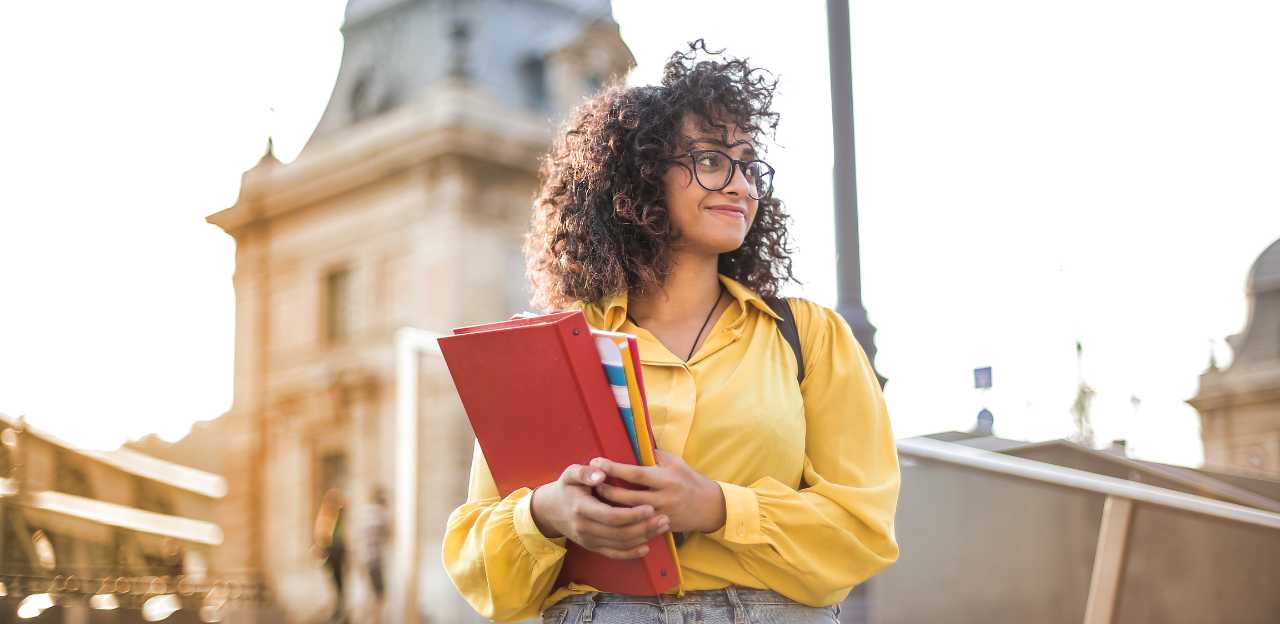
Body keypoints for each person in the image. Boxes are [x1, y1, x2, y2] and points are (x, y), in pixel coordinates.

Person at [442, 40, 900, 623]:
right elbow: (476, 563)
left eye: (749, 164)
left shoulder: (809, 336)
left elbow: (864, 529)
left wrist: (716, 507)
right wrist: (547, 514)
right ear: (640, 177)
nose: (741, 185)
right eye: (710, 160)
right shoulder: (553, 349)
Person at [314, 488, 347, 623]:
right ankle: (337, 607)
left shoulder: (334, 516)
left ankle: (339, 607)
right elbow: (323, 536)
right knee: (336, 582)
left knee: (338, 582)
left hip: (335, 552)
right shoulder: (328, 516)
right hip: (333, 552)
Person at [359, 487, 391, 613]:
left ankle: (367, 617)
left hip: (364, 557)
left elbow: (358, 536)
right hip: (376, 559)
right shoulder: (382, 514)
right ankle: (376, 619)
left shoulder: (364, 512)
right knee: (379, 594)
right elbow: (389, 535)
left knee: (368, 592)